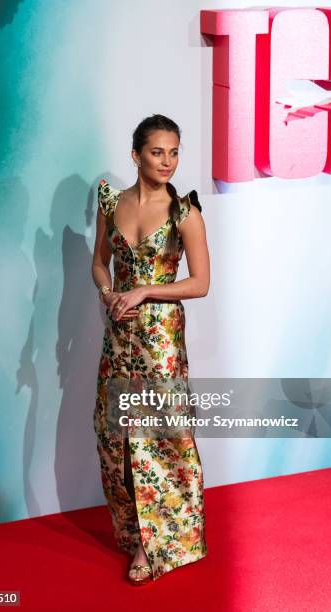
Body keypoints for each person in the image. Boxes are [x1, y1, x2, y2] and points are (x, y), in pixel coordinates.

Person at [91, 114, 210, 585]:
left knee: (162, 437)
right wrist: (108, 294)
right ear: (136, 155)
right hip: (120, 336)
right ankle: (134, 532)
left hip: (160, 340)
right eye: (158, 151)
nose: (168, 161)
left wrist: (143, 291)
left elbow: (200, 284)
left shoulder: (186, 213)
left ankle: (158, 543)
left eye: (175, 151)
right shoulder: (111, 203)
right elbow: (100, 264)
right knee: (112, 436)